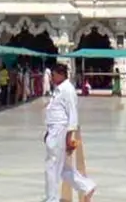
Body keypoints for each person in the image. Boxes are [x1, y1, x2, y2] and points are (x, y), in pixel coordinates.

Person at [44, 64, 96, 202]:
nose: (52, 78)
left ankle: (52, 198)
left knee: (52, 166)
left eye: (53, 75)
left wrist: (68, 137)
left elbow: (72, 116)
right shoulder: (59, 89)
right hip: (54, 130)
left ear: (61, 74)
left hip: (60, 131)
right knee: (62, 168)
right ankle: (87, 186)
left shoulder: (67, 90)